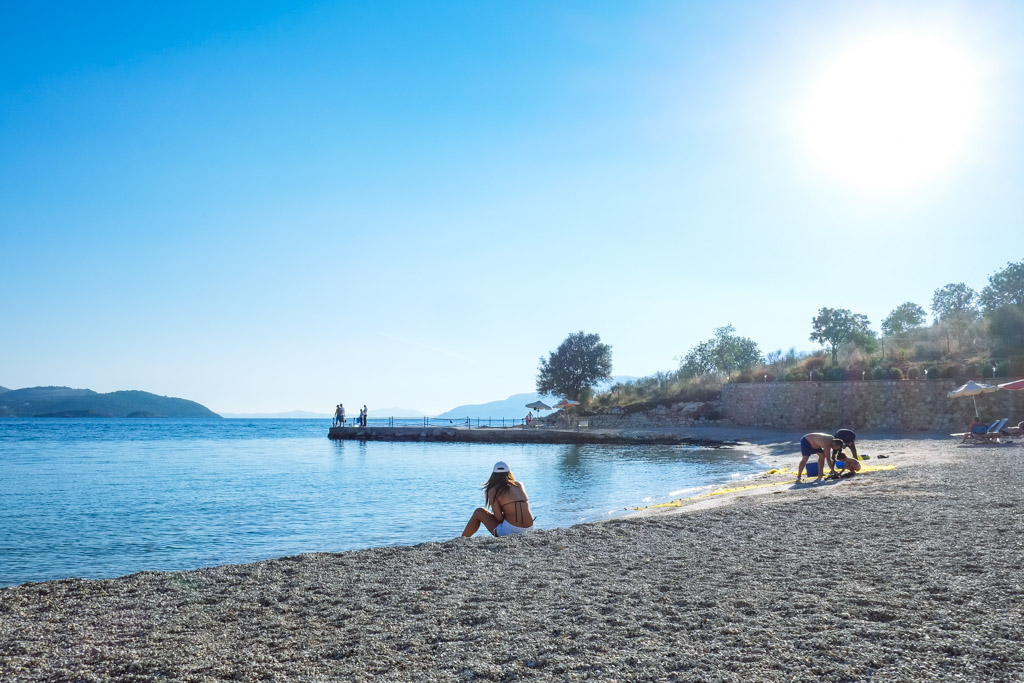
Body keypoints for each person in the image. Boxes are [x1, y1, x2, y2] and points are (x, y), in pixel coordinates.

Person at [462, 461, 535, 537]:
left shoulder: (493, 490)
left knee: (479, 512)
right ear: (509, 473)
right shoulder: (519, 485)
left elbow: (499, 518)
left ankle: (462, 539)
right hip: (530, 528)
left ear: (493, 475)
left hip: (511, 530)